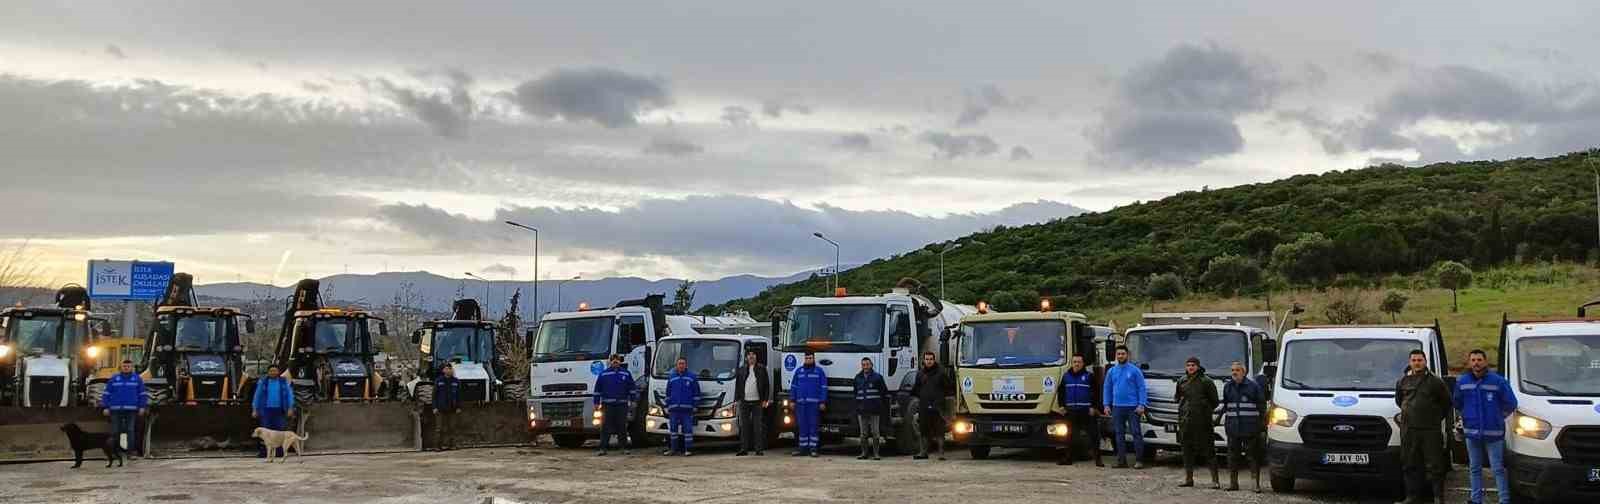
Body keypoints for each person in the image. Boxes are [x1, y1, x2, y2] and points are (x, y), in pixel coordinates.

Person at [1454, 349, 1517, 504]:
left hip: (1494, 434)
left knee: (1497, 469)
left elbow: (1511, 403)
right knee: (1474, 469)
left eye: (1479, 360)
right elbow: (1457, 402)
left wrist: (1498, 417)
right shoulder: (1462, 382)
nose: (1476, 363)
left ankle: (1504, 500)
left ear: (1485, 362)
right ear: (1469, 362)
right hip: (1471, 433)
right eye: (1473, 360)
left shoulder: (1498, 381)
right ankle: (1476, 500)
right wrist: (1467, 417)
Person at [1395, 349, 1451, 504]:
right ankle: (1412, 497)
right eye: (1414, 360)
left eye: (1420, 360)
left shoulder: (1436, 381)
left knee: (1435, 465)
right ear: (1409, 362)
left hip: (1430, 430)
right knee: (1409, 463)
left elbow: (1446, 403)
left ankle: (1438, 498)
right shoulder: (1402, 381)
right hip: (1409, 430)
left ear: (1425, 361)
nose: (1417, 363)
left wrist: (1434, 418)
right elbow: (1399, 400)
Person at [1221, 361, 1266, 493]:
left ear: (1244, 372)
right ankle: (1233, 484)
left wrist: (1261, 424)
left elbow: (1262, 406)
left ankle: (1255, 484)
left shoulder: (1253, 387)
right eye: (1232, 370)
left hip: (1250, 428)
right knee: (1232, 457)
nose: (1234, 372)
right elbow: (1226, 405)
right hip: (1233, 428)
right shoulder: (1228, 387)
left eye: (1237, 370)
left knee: (1252, 456)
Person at [1176, 356, 1220, 488]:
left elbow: (1215, 401)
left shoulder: (1206, 381)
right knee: (1186, 451)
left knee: (1209, 451)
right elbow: (1178, 398)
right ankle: (1189, 479)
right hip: (1186, 422)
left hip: (1203, 422)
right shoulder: (1181, 381)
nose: (1190, 367)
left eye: (1193, 365)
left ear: (1198, 366)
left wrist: (1203, 409)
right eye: (1188, 365)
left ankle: (1215, 481)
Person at [1103, 345, 1149, 469]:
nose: (1120, 356)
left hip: (1133, 407)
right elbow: (1107, 388)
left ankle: (1139, 460)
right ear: (1116, 356)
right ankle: (1121, 461)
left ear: (1127, 355)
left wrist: (1142, 404)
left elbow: (1142, 388)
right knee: (1119, 434)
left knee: (1136, 433)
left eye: (1123, 354)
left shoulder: (1135, 371)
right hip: (1117, 407)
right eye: (1118, 354)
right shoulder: (1111, 371)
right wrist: (1106, 404)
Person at [1057, 354, 1103, 466]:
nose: (1076, 364)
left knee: (1093, 435)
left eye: (1079, 362)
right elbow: (1061, 392)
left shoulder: (1089, 376)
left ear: (1083, 364)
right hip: (1071, 411)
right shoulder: (1066, 376)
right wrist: (1062, 406)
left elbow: (1096, 393)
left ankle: (1098, 459)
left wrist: (1094, 407)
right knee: (1070, 436)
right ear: (1072, 363)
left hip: (1086, 411)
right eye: (1074, 362)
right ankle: (1068, 458)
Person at [100, 359, 148, 457]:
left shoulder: (137, 379)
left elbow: (142, 394)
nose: (126, 368)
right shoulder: (113, 379)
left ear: (132, 367)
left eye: (128, 366)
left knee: (130, 430)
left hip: (131, 410)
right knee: (115, 431)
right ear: (121, 367)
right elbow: (106, 394)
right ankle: (115, 452)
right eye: (124, 366)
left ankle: (130, 452)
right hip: (115, 410)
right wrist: (105, 407)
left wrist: (142, 406)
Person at [909, 351, 948, 460]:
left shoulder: (941, 373)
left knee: (939, 430)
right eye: (927, 359)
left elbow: (948, 387)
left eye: (931, 359)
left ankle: (941, 453)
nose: (929, 361)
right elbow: (916, 389)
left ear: (934, 360)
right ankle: (923, 452)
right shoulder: (920, 374)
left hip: (938, 406)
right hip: (924, 406)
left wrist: (940, 399)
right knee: (923, 429)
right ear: (924, 361)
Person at [592, 354, 635, 456]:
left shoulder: (626, 373)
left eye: (617, 360)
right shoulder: (603, 374)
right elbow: (597, 390)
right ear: (610, 362)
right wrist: (596, 403)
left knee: (622, 427)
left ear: (620, 361)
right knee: (605, 427)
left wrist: (633, 401)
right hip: (607, 405)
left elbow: (632, 388)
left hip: (622, 405)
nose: (615, 362)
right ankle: (603, 448)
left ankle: (623, 448)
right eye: (613, 360)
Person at [251, 364, 296, 458]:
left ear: (278, 372)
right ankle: (264, 453)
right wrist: (255, 409)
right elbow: (257, 396)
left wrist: (290, 408)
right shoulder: (263, 382)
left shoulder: (284, 382)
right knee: (264, 434)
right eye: (271, 371)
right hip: (265, 411)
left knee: (280, 432)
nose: (273, 372)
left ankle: (279, 453)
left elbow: (290, 395)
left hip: (280, 411)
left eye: (275, 371)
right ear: (268, 372)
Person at [790, 351, 827, 457]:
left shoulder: (819, 372)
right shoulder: (799, 371)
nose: (808, 360)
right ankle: (802, 449)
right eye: (807, 358)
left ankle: (813, 449)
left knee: (813, 426)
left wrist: (822, 401)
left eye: (810, 358)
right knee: (802, 427)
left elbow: (823, 388)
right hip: (801, 404)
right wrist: (792, 400)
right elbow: (794, 387)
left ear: (814, 359)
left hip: (814, 405)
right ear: (804, 359)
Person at [734, 351, 771, 456]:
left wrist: (765, 400)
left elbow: (766, 385)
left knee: (757, 426)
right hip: (744, 402)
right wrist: (737, 400)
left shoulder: (762, 369)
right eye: (749, 355)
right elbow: (738, 385)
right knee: (744, 426)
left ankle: (758, 449)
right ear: (746, 358)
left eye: (753, 355)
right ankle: (744, 449)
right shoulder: (741, 370)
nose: (751, 357)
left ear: (756, 357)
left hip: (757, 402)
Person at [853, 357, 890, 460]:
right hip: (862, 410)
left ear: (871, 365)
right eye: (863, 365)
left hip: (874, 410)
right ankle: (864, 453)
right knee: (863, 433)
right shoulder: (857, 378)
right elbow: (855, 393)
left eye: (867, 364)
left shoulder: (878, 378)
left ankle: (876, 454)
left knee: (875, 432)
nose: (865, 366)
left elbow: (884, 392)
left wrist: (879, 405)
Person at [664, 357, 701, 456]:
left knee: (688, 431)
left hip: (687, 409)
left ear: (686, 365)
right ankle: (673, 449)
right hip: (674, 409)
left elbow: (696, 393)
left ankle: (688, 450)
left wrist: (695, 406)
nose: (681, 365)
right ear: (676, 365)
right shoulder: (672, 377)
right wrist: (667, 405)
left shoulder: (692, 377)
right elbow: (668, 392)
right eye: (679, 363)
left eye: (683, 363)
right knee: (673, 431)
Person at [432, 363, 462, 451]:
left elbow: (459, 395)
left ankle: (452, 445)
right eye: (446, 368)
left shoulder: (456, 381)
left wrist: (458, 407)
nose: (448, 370)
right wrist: (434, 407)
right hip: (440, 408)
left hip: (453, 408)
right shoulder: (438, 381)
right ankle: (437, 446)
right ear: (443, 370)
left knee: (452, 428)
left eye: (450, 368)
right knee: (439, 429)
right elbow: (434, 395)